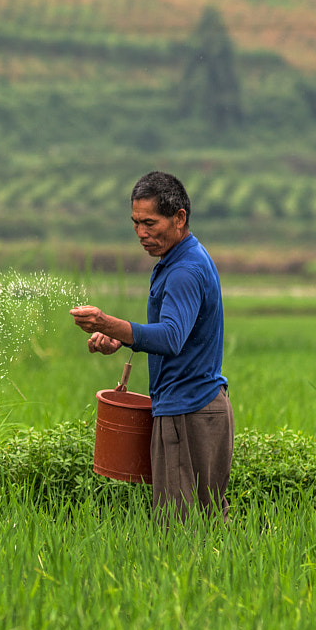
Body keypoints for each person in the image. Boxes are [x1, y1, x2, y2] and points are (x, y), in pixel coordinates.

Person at [69, 171, 232, 517]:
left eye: (150, 223)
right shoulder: (182, 259)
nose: (141, 234)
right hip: (198, 407)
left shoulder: (184, 270)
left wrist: (105, 322)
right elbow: (177, 332)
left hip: (187, 411)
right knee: (206, 526)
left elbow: (171, 338)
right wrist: (121, 336)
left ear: (179, 218)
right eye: (135, 223)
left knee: (179, 530)